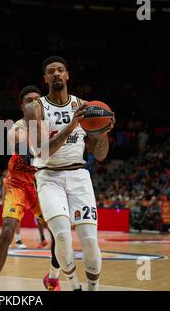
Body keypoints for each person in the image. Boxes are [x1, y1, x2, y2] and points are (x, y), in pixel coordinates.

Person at [25, 56, 114, 291]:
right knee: (62, 236)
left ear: (67, 75)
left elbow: (101, 154)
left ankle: (93, 289)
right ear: (45, 78)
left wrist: (103, 132)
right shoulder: (35, 109)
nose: (56, 74)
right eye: (51, 71)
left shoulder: (86, 107)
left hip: (78, 175)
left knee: (90, 241)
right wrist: (72, 126)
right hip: (48, 177)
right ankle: (74, 286)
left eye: (60, 70)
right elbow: (43, 152)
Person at [0, 86, 61, 292]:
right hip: (17, 183)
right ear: (22, 105)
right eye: (29, 100)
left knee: (60, 234)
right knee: (8, 230)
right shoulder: (16, 128)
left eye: (37, 99)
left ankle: (53, 277)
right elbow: (28, 153)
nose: (34, 103)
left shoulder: (51, 126)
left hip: (40, 184)